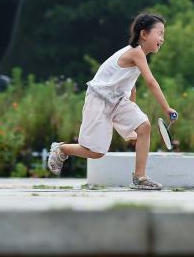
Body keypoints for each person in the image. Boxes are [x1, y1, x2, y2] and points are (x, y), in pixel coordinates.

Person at [47, 14, 177, 190]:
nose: (162, 38)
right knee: (97, 152)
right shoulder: (136, 52)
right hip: (98, 99)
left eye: (163, 35)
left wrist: (131, 120)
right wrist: (166, 108)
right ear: (144, 34)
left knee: (144, 126)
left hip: (117, 100)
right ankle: (62, 149)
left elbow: (132, 88)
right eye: (159, 33)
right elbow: (151, 82)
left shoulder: (139, 57)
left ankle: (139, 177)